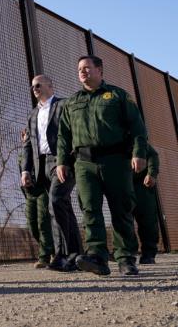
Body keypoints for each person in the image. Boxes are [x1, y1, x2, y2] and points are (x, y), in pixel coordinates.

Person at [57, 55, 147, 276]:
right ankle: (97, 256)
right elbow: (64, 135)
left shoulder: (118, 96)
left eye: (87, 68)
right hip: (84, 163)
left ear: (100, 70)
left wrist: (139, 153)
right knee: (90, 209)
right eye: (80, 69)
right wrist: (62, 161)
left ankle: (125, 258)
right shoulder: (72, 102)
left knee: (121, 208)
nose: (83, 72)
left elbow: (137, 128)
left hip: (115, 160)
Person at [21, 75, 82, 272]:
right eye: (32, 87)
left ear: (50, 85)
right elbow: (29, 145)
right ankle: (75, 255)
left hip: (61, 162)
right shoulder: (32, 114)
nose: (35, 89)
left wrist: (65, 160)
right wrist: (25, 170)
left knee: (55, 201)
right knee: (61, 206)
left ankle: (62, 255)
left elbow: (73, 133)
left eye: (38, 85)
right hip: (41, 167)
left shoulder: (64, 105)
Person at [19, 128, 55, 269]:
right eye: (25, 134)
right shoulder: (22, 154)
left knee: (43, 222)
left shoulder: (42, 151)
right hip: (29, 193)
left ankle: (44, 257)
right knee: (32, 224)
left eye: (29, 134)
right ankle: (51, 249)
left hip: (42, 190)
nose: (26, 136)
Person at [133, 143, 160, 264]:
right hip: (122, 184)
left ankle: (149, 253)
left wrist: (151, 173)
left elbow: (153, 155)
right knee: (122, 219)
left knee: (147, 219)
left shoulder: (134, 138)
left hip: (142, 184)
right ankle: (126, 253)